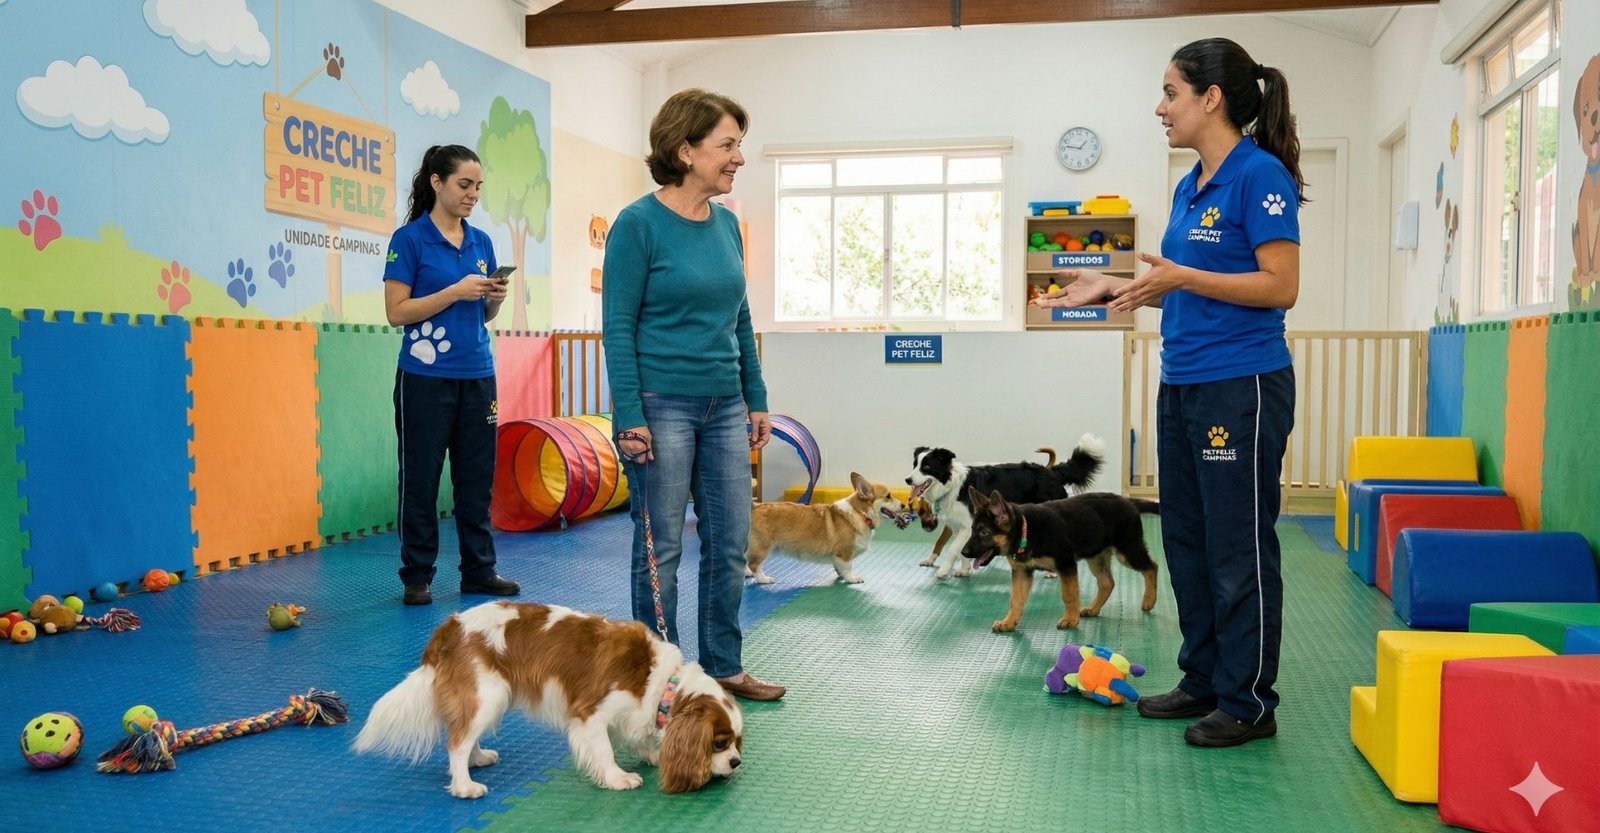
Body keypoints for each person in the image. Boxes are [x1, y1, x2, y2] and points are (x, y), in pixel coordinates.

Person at [1035, 38, 1304, 747]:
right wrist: (1120, 288)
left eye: (1170, 93)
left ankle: (1247, 702)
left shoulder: (1258, 176)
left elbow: (1280, 286)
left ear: (1210, 98)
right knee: (1184, 540)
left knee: (1236, 546)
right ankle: (1204, 678)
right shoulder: (1191, 184)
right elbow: (1188, 284)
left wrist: (1181, 276)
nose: (1160, 108)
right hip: (1182, 383)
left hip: (1239, 385)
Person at [602, 89, 782, 701]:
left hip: (726, 405)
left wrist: (755, 395)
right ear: (685, 150)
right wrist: (630, 415)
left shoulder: (727, 225)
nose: (738, 158)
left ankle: (723, 666)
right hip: (661, 405)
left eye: (739, 145)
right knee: (662, 546)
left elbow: (739, 316)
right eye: (727, 145)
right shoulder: (637, 224)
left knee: (731, 539)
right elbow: (618, 327)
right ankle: (658, 681)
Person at [383, 144, 521, 606]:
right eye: (464, 184)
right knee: (420, 478)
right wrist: (455, 290)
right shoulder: (409, 240)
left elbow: (480, 314)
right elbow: (396, 313)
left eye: (478, 187)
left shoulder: (481, 242)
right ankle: (417, 575)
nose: (472, 194)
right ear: (437, 183)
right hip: (423, 377)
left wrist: (493, 297)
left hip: (477, 374)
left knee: (476, 478)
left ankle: (479, 571)